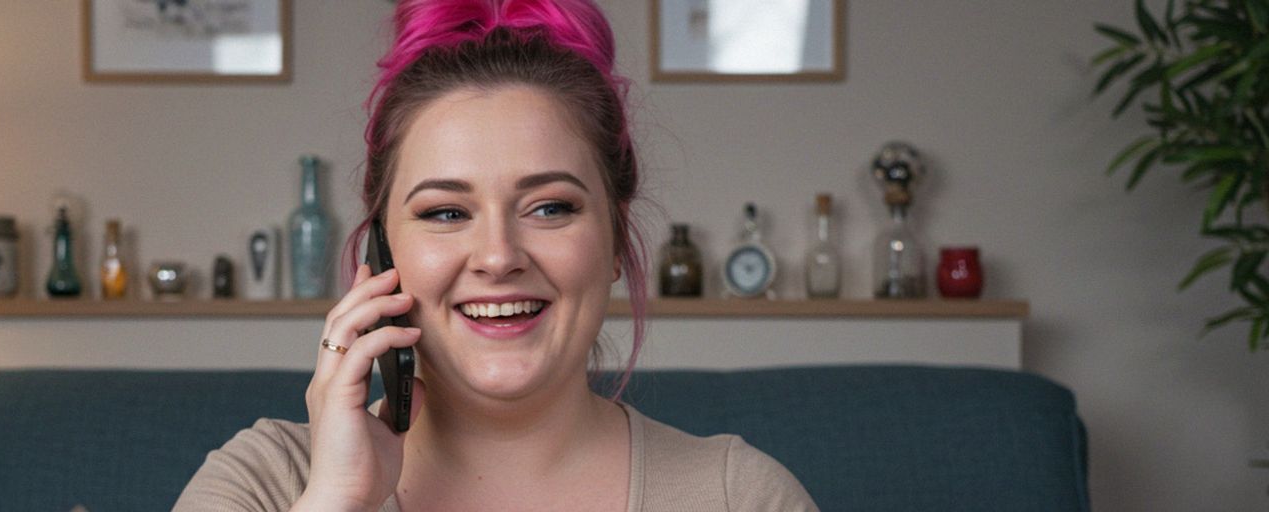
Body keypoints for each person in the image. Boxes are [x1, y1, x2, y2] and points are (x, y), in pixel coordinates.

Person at [174, 0, 816, 510]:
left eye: (550, 207)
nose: (498, 256)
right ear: (383, 248)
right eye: (446, 213)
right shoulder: (263, 483)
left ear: (617, 240)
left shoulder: (743, 496)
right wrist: (339, 501)